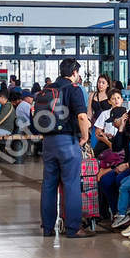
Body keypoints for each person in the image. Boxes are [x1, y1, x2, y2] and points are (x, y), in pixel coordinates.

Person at [36, 59, 93, 238]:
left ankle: (47, 228)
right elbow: (82, 117)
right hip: (67, 142)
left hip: (48, 142)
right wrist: (84, 137)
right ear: (75, 72)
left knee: (48, 185)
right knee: (71, 185)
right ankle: (73, 228)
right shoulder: (73, 89)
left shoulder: (46, 90)